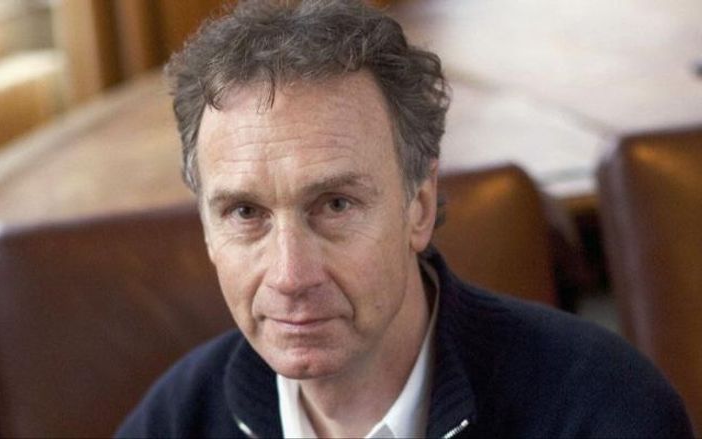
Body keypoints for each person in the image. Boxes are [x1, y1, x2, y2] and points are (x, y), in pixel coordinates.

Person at [116, 1, 693, 437]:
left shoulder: (600, 408)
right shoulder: (176, 419)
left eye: (335, 205)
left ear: (419, 206)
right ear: (207, 228)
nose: (291, 276)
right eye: (245, 212)